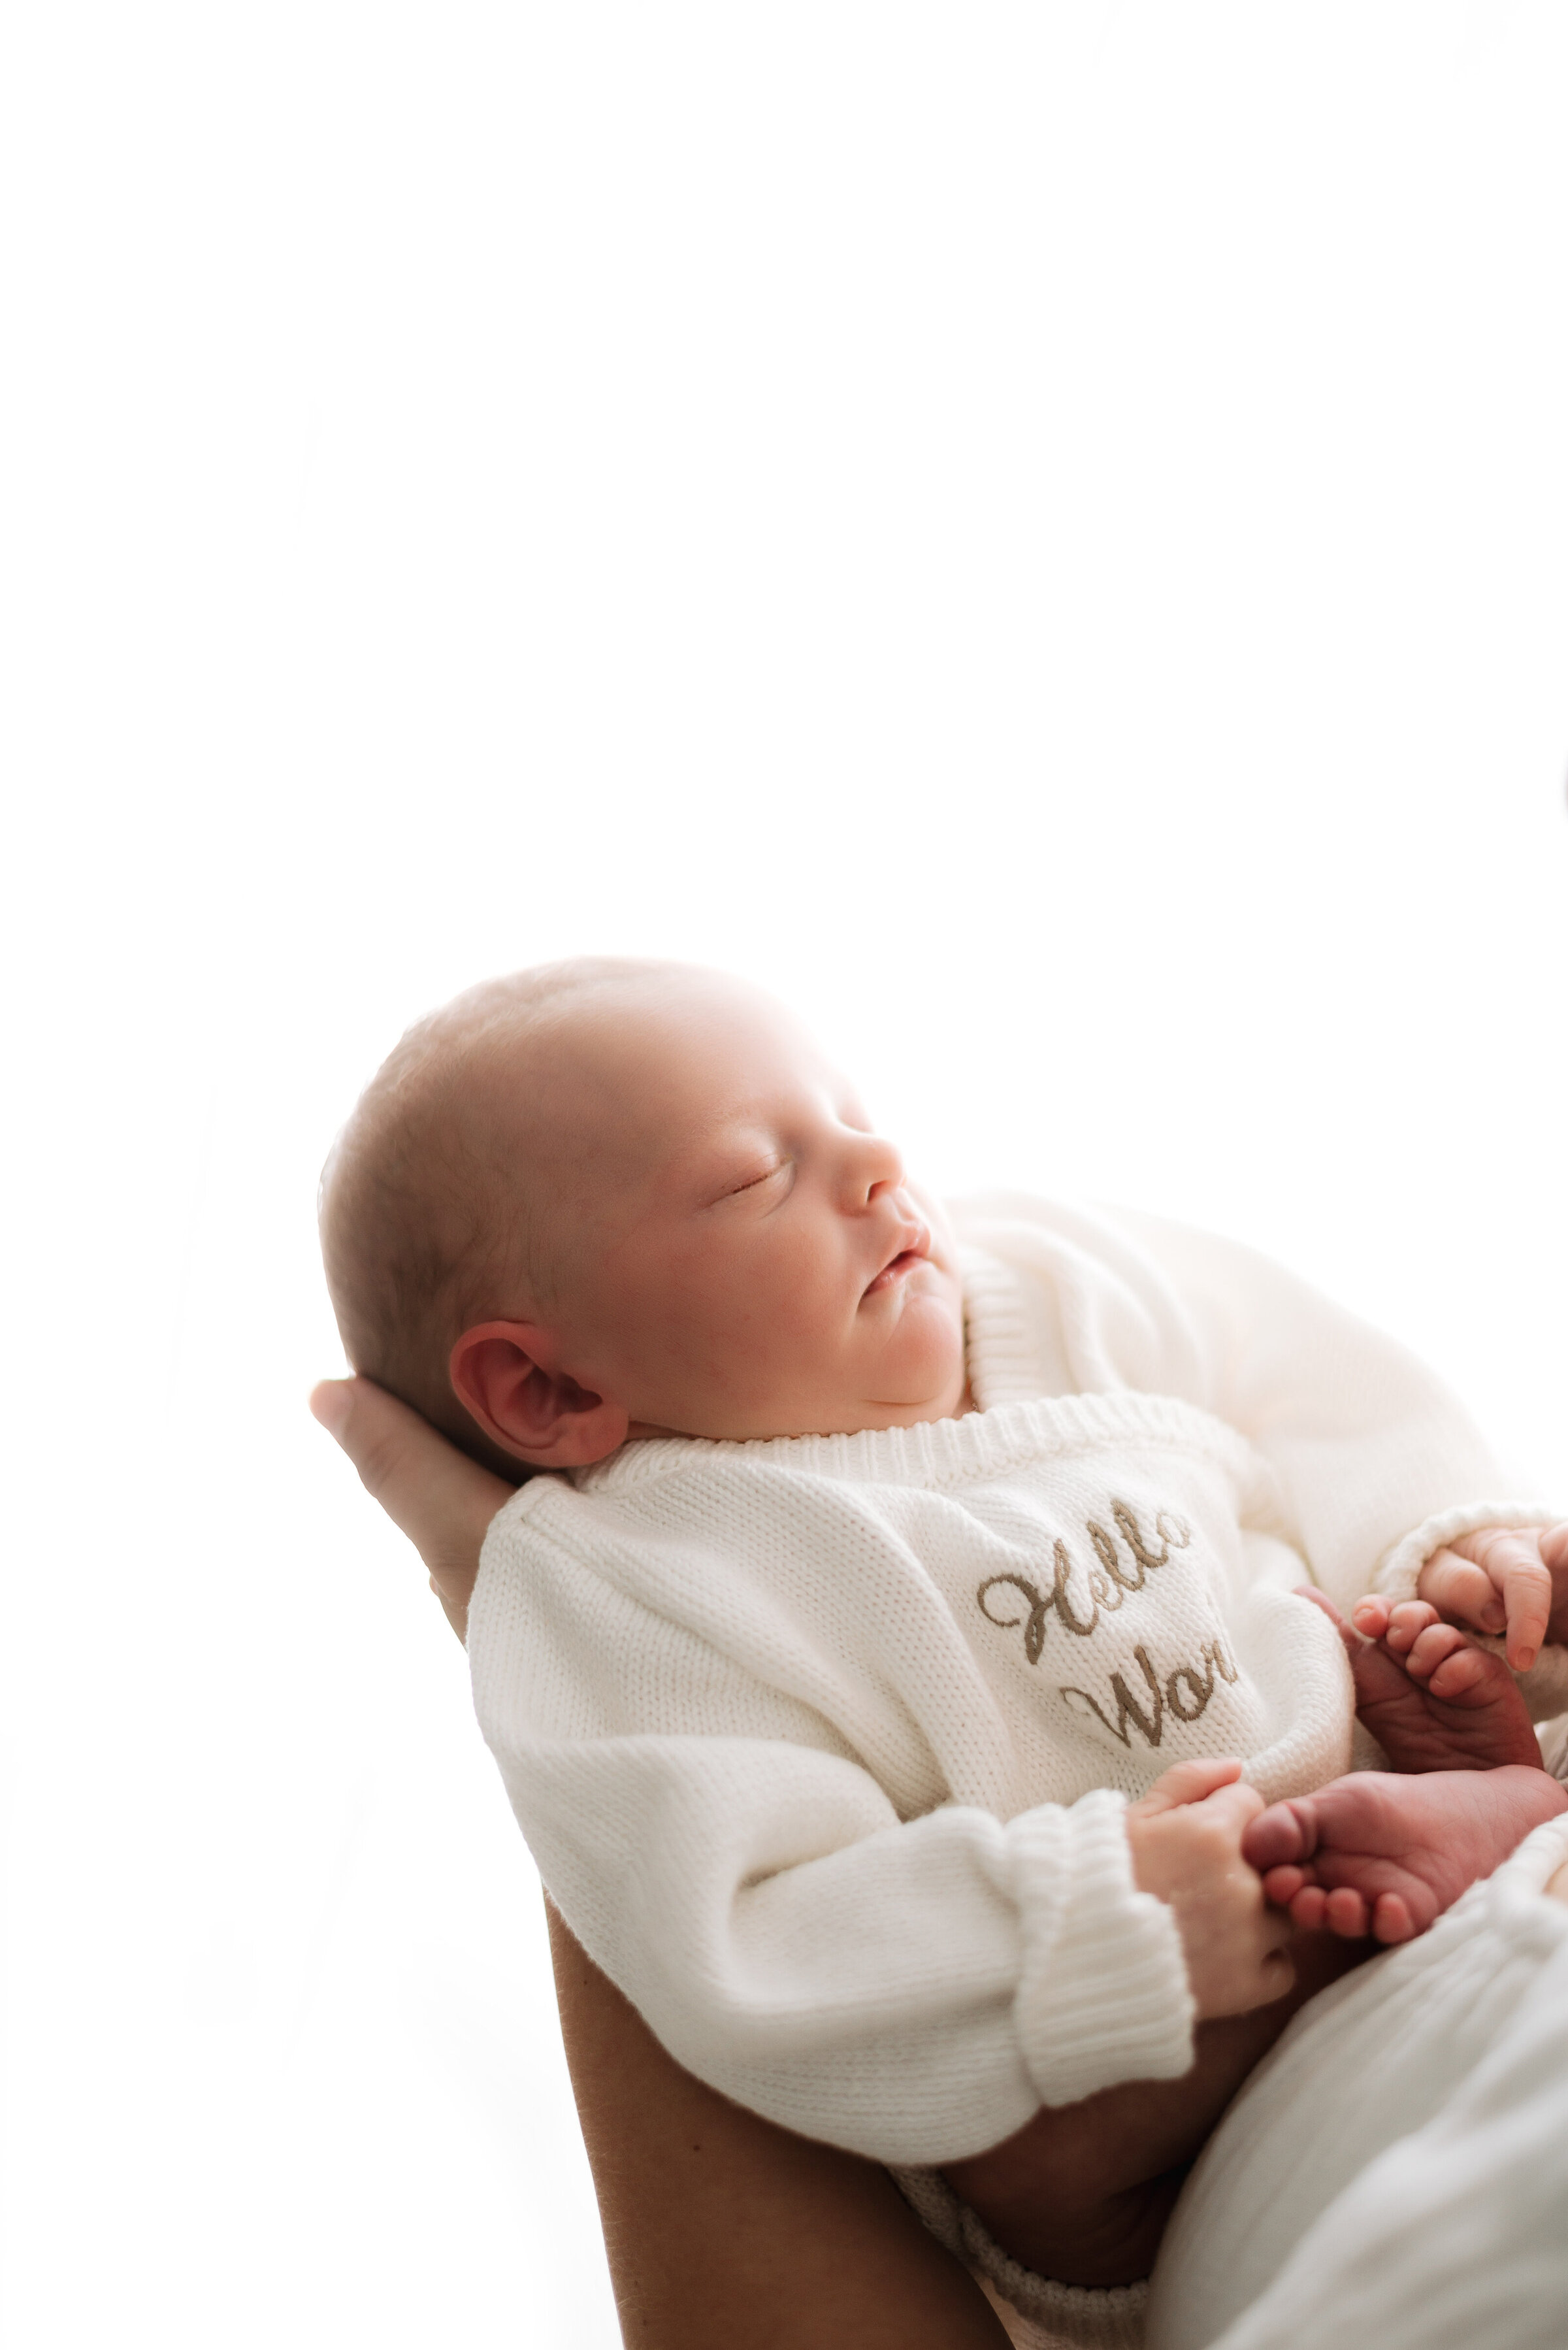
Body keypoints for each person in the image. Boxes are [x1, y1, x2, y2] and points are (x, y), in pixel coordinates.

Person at [314, 958, 1568, 2342]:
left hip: (1351, 1719)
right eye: (750, 1176)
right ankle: (1457, 1830)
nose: (874, 1164)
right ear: (548, 1385)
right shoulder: (625, 1588)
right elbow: (743, 1917)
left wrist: (1440, 1543)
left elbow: (1309, 1376)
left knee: (1402, 1642)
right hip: (1110, 2057)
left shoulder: (1041, 1278)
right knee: (1038, 2156)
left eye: (851, 1114)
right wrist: (1096, 1919)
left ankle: (1468, 1795)